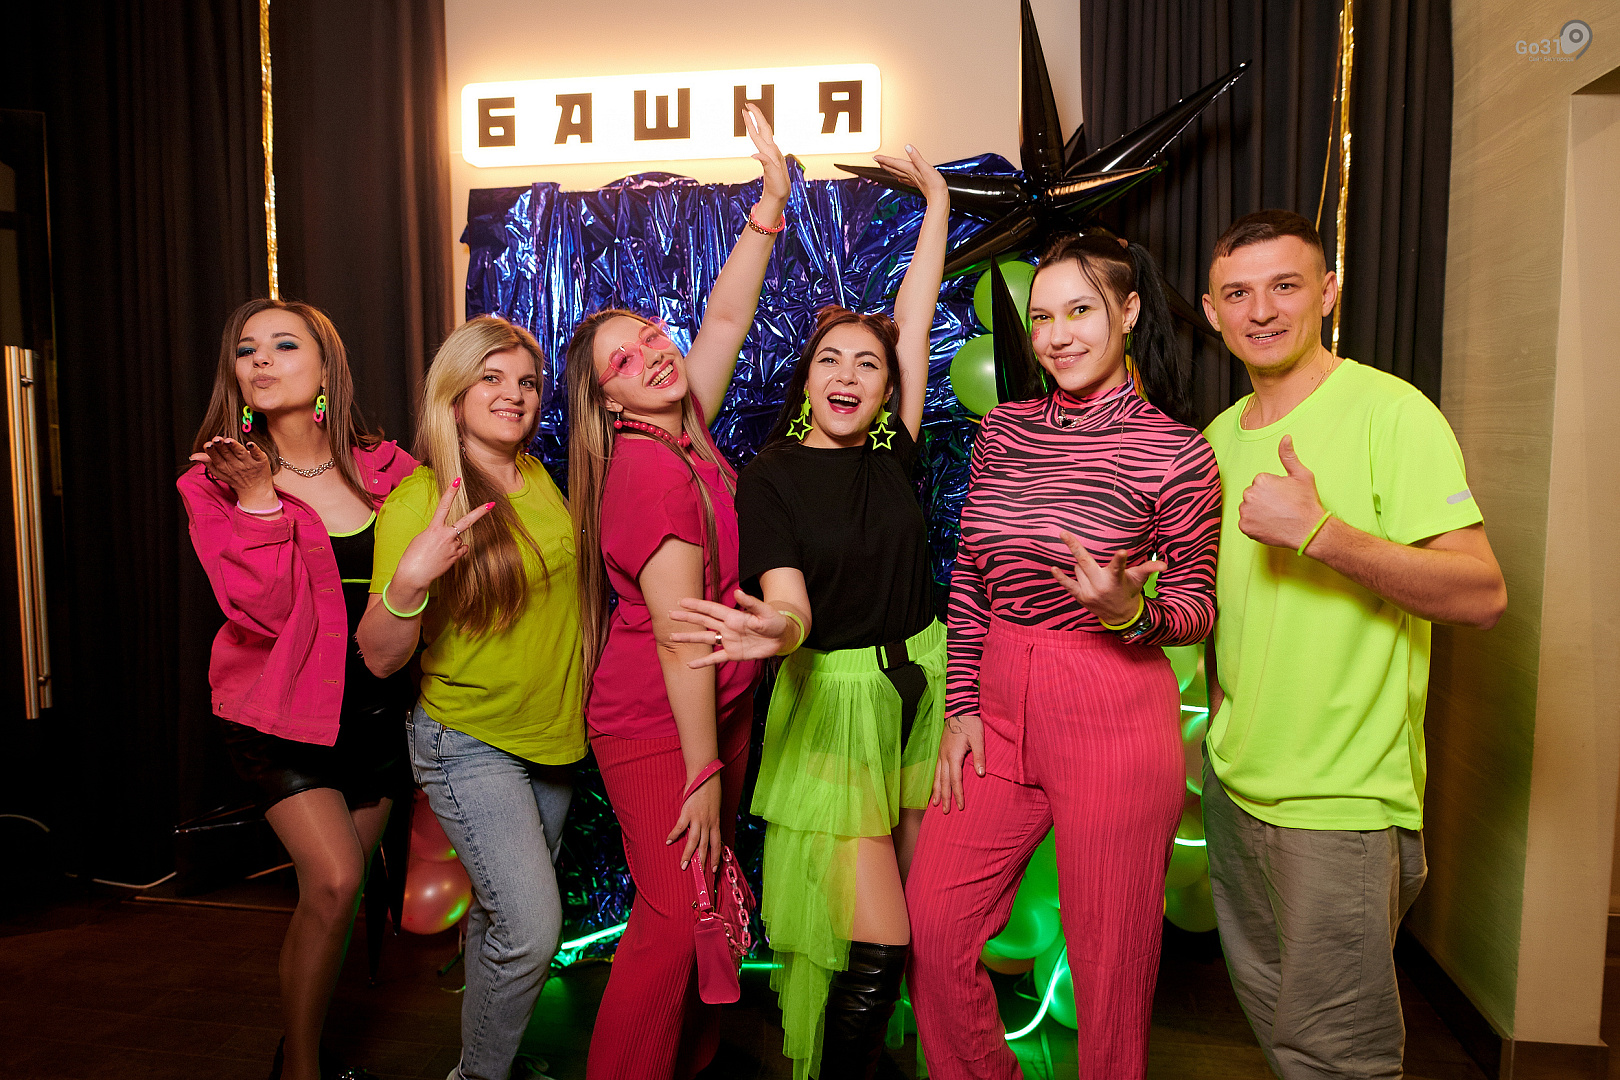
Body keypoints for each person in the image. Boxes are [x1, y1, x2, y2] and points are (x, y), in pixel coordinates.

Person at [1197, 210, 1506, 1079]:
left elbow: (1482, 594)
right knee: (1285, 1040)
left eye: (1285, 286)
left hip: (1342, 803)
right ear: (1212, 313)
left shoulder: (1390, 412)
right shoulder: (1217, 438)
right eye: (1238, 293)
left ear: (1327, 293)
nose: (1262, 311)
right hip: (1236, 787)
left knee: (1341, 1060)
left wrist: (1321, 532)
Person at [906, 233, 1222, 1079]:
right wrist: (962, 707)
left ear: (1129, 310)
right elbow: (971, 576)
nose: (1057, 336)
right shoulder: (1003, 430)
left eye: (1080, 311)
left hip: (1112, 708)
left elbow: (1198, 608)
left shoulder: (1177, 452)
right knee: (936, 927)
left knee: (1109, 968)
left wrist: (1132, 613)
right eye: (1042, 317)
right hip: (999, 705)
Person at [667, 146, 950, 1080]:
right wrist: (776, 632)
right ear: (807, 380)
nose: (850, 373)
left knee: (921, 915)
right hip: (835, 703)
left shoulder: (894, 449)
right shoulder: (773, 478)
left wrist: (937, 203)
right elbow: (787, 603)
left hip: (924, 688)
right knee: (879, 939)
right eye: (831, 358)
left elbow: (915, 319)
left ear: (885, 387)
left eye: (868, 363)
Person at [563, 103, 786, 1080]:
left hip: (711, 711)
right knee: (671, 917)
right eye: (623, 360)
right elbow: (681, 634)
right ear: (606, 400)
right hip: (662, 727)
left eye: (651, 334)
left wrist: (771, 200)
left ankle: (686, 1062)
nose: (652, 353)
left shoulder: (682, 425)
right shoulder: (649, 469)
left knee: (699, 911)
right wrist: (701, 770)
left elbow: (727, 316)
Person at [179, 298, 417, 1080]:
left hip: (374, 708)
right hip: (279, 712)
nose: (262, 359)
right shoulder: (212, 485)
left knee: (334, 900)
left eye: (284, 345)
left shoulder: (389, 469)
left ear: (325, 368)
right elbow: (265, 612)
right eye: (246, 348)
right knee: (336, 877)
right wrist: (257, 501)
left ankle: (298, 1053)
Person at [356, 316, 585, 1080]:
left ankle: (488, 1063)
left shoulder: (539, 476)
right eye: (491, 378)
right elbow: (379, 656)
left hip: (551, 736)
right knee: (531, 929)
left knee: (497, 916)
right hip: (469, 740)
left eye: (527, 382)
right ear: (452, 395)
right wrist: (410, 582)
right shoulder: (419, 501)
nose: (514, 394)